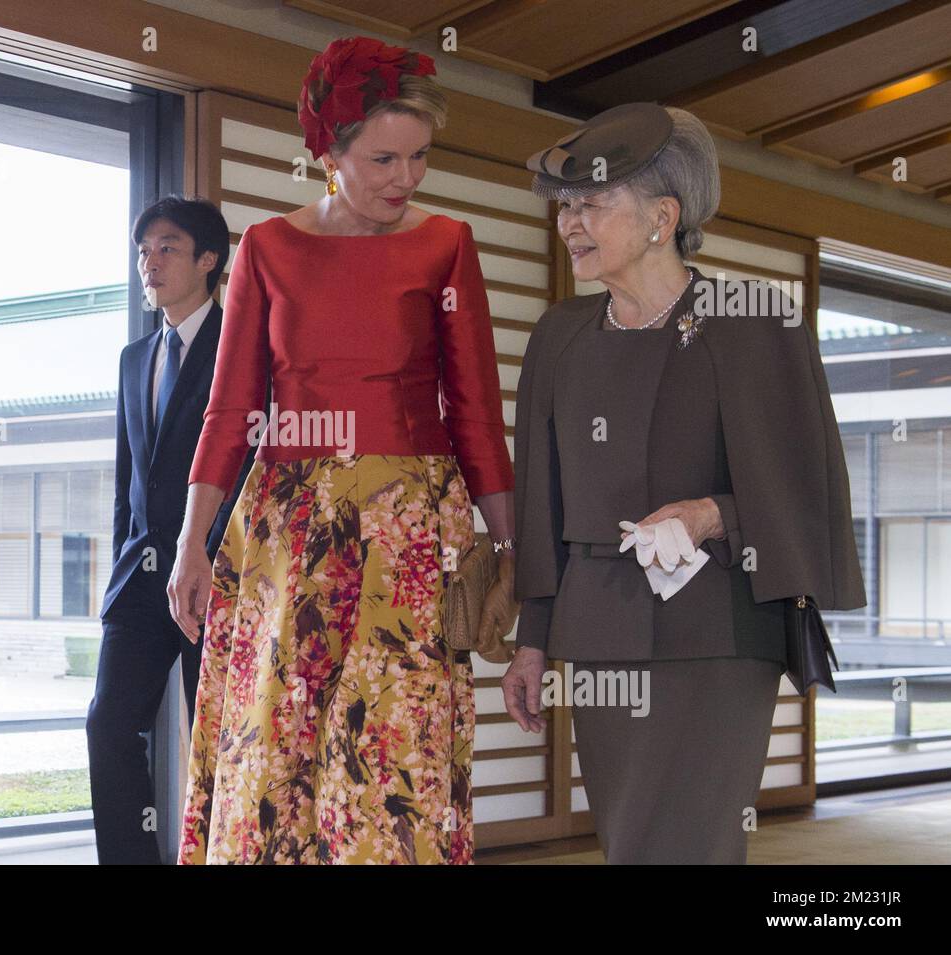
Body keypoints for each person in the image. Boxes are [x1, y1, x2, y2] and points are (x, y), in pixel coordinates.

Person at [166, 36, 520, 864]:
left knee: (396, 749)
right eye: (383, 157)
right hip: (285, 529)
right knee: (274, 745)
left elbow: (474, 410)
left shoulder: (447, 245)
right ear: (327, 151)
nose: (406, 178)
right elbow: (229, 411)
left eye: (420, 157)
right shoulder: (266, 249)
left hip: (408, 534)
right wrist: (192, 543)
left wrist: (509, 548)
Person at [502, 102, 867, 863]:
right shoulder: (559, 334)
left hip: (720, 628)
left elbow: (805, 491)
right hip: (599, 630)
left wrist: (710, 513)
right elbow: (543, 503)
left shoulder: (757, 320)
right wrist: (531, 641)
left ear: (662, 216)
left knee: (694, 840)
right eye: (567, 206)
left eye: (593, 203)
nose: (571, 222)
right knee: (629, 839)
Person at [87, 196, 255, 865]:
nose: (149, 263)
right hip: (141, 578)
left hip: (216, 576)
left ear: (209, 260)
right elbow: (130, 479)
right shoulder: (134, 357)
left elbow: (249, 468)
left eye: (167, 248)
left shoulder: (241, 351)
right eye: (143, 251)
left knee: (214, 735)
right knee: (108, 723)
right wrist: (122, 568)